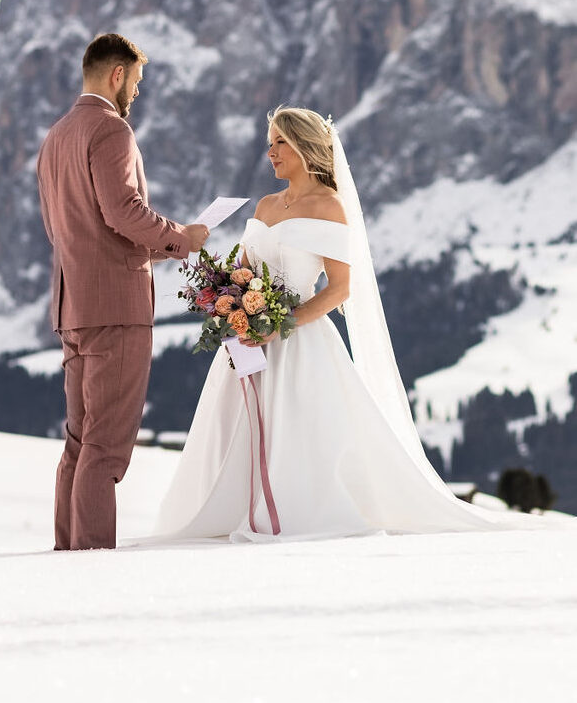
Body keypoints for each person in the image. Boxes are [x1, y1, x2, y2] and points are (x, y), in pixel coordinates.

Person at [150, 106, 573, 542]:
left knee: (301, 438)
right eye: (269, 142)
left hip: (299, 343)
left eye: (280, 142)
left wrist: (281, 324)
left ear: (305, 146)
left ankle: (293, 513)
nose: (270, 152)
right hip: (245, 343)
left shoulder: (329, 206)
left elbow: (338, 289)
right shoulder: (265, 204)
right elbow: (243, 267)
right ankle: (240, 510)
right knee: (236, 435)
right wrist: (227, 298)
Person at [36, 33, 208, 550]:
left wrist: (154, 248)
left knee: (79, 440)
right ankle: (90, 560)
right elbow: (122, 212)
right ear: (117, 75)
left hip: (73, 305)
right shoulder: (111, 131)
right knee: (107, 447)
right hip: (116, 308)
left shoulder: (56, 137)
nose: (136, 90)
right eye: (135, 79)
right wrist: (183, 239)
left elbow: (73, 230)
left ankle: (69, 553)